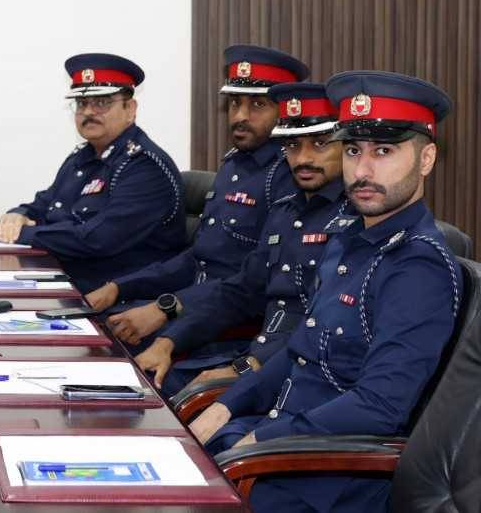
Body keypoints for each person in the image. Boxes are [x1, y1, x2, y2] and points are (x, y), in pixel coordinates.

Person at [190, 71, 461, 512]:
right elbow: (299, 352)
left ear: (426, 158)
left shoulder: (417, 265)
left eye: (384, 151)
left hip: (322, 477)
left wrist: (262, 441)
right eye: (353, 150)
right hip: (272, 447)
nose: (363, 170)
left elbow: (380, 406)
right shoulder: (348, 238)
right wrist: (226, 407)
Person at [134, 82, 348, 397]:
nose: (303, 158)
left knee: (166, 396)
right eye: (292, 145)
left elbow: (322, 326)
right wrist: (169, 341)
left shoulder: (353, 220)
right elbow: (241, 291)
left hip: (302, 375)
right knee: (139, 380)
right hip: (257, 355)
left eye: (319, 144)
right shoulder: (286, 210)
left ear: (347, 147)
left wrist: (246, 369)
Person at [86, 45, 305, 348]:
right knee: (92, 325)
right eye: (235, 103)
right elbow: (200, 258)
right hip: (191, 306)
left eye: (257, 105)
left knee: (105, 348)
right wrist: (119, 287)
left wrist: (166, 311)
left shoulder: (290, 175)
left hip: (230, 327)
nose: (240, 116)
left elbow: (254, 283)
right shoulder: (235, 164)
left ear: (286, 110)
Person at [0, 53, 185, 292]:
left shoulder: (144, 166)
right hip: (68, 283)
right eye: (82, 103)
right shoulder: (83, 157)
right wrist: (18, 216)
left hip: (119, 298)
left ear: (130, 109)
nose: (89, 112)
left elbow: (98, 239)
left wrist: (21, 234)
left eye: (102, 103)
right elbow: (45, 205)